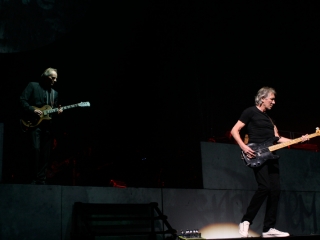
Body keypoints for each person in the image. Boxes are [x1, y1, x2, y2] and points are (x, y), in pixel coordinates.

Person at [231, 86, 309, 238]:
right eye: (271, 99)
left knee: (275, 190)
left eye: (274, 99)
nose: (274, 102)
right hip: (257, 154)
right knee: (264, 187)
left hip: (271, 155)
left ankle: (268, 228)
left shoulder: (269, 119)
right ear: (262, 98)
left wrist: (298, 140)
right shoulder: (250, 112)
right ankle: (246, 221)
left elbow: (278, 138)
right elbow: (235, 130)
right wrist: (244, 147)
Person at [20, 68, 62, 184]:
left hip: (47, 126)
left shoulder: (55, 93)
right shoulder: (32, 86)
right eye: (52, 78)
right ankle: (32, 178)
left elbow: (51, 112)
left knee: (45, 153)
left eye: (56, 78)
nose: (55, 80)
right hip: (34, 124)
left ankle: (41, 179)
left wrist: (57, 112)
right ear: (45, 76)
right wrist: (32, 110)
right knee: (35, 149)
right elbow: (22, 100)